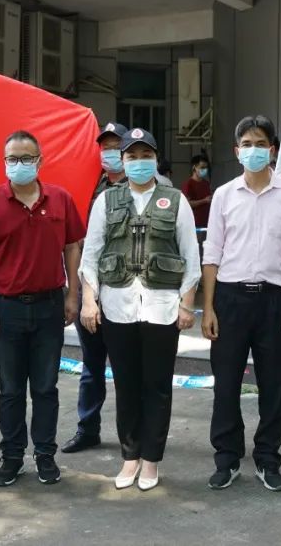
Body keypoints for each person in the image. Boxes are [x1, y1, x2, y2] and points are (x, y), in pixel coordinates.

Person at [79, 127, 200, 491]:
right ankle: (130, 457)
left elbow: (191, 256)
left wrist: (187, 305)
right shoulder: (107, 201)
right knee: (126, 385)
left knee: (157, 386)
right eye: (131, 157)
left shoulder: (175, 200)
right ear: (123, 161)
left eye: (145, 156)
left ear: (155, 159)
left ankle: (151, 460)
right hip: (117, 307)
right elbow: (91, 255)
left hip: (162, 309)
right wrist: (89, 300)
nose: (138, 162)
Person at [0, 130, 85, 487]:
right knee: (11, 389)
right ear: (4, 162)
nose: (19, 164)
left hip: (50, 306)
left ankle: (45, 454)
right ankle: (12, 456)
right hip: (6, 309)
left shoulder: (60, 199)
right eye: (12, 159)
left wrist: (73, 295)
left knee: (46, 387)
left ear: (39, 161)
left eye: (26, 158)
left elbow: (72, 248)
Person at [202, 115, 281, 492]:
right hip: (230, 300)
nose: (253, 150)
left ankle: (267, 458)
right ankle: (227, 458)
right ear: (236, 151)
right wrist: (208, 307)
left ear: (272, 149)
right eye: (246, 144)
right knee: (226, 384)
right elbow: (212, 253)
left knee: (273, 385)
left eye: (260, 144)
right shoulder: (224, 194)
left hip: (273, 301)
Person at [63, 121, 127, 454]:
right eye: (105, 147)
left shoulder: (148, 185)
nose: (110, 153)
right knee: (92, 365)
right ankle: (88, 428)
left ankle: (134, 434)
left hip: (127, 288)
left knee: (129, 366)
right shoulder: (87, 184)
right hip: (89, 284)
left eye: (116, 147)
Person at [182, 154, 212, 230]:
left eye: (206, 167)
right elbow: (187, 204)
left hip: (207, 224)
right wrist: (204, 201)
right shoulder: (188, 184)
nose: (204, 170)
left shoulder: (206, 183)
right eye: (202, 167)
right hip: (194, 225)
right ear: (194, 167)